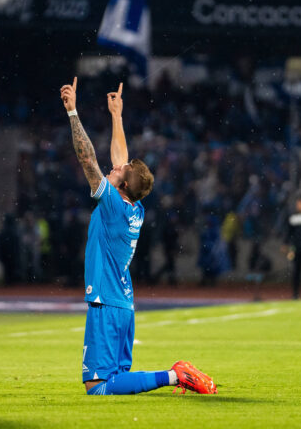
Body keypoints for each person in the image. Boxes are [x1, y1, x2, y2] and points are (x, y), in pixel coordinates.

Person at [59, 78, 216, 396]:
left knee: (97, 387)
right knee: (117, 379)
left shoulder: (113, 206)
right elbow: (121, 161)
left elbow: (87, 159)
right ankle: (174, 376)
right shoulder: (135, 207)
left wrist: (73, 112)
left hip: (105, 301)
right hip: (124, 303)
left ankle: (175, 375)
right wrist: (116, 116)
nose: (114, 168)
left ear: (124, 186)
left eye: (120, 171)